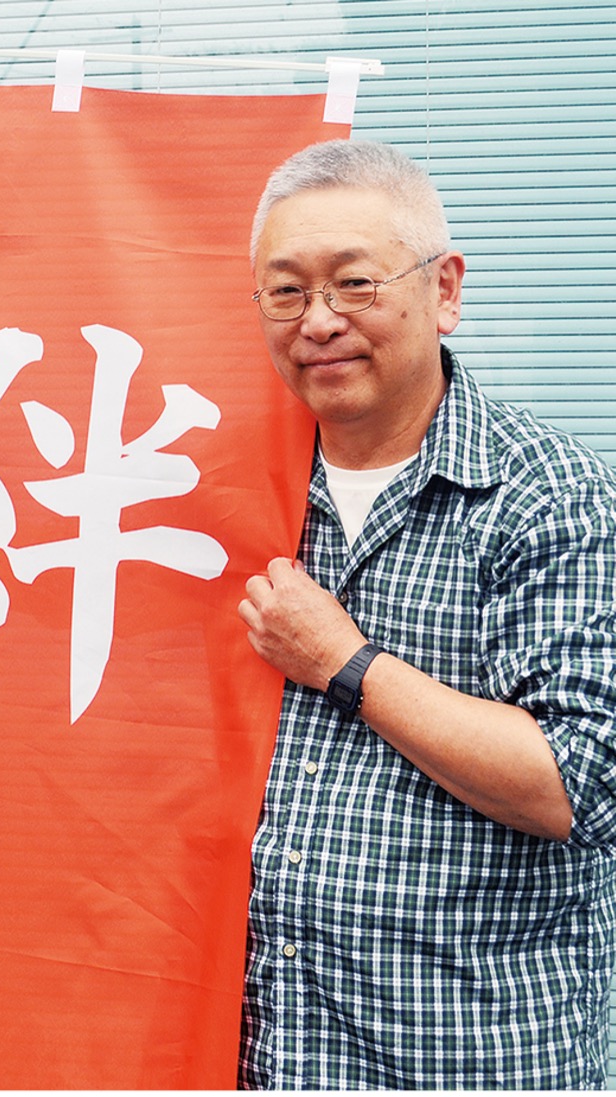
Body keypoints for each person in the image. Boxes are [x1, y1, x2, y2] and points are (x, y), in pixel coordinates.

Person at [236, 138, 616, 1088]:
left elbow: (578, 785)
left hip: (466, 1057)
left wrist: (345, 660)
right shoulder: (238, 495)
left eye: (354, 283)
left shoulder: (550, 496)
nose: (319, 320)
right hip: (275, 1053)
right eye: (286, 292)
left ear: (444, 291)